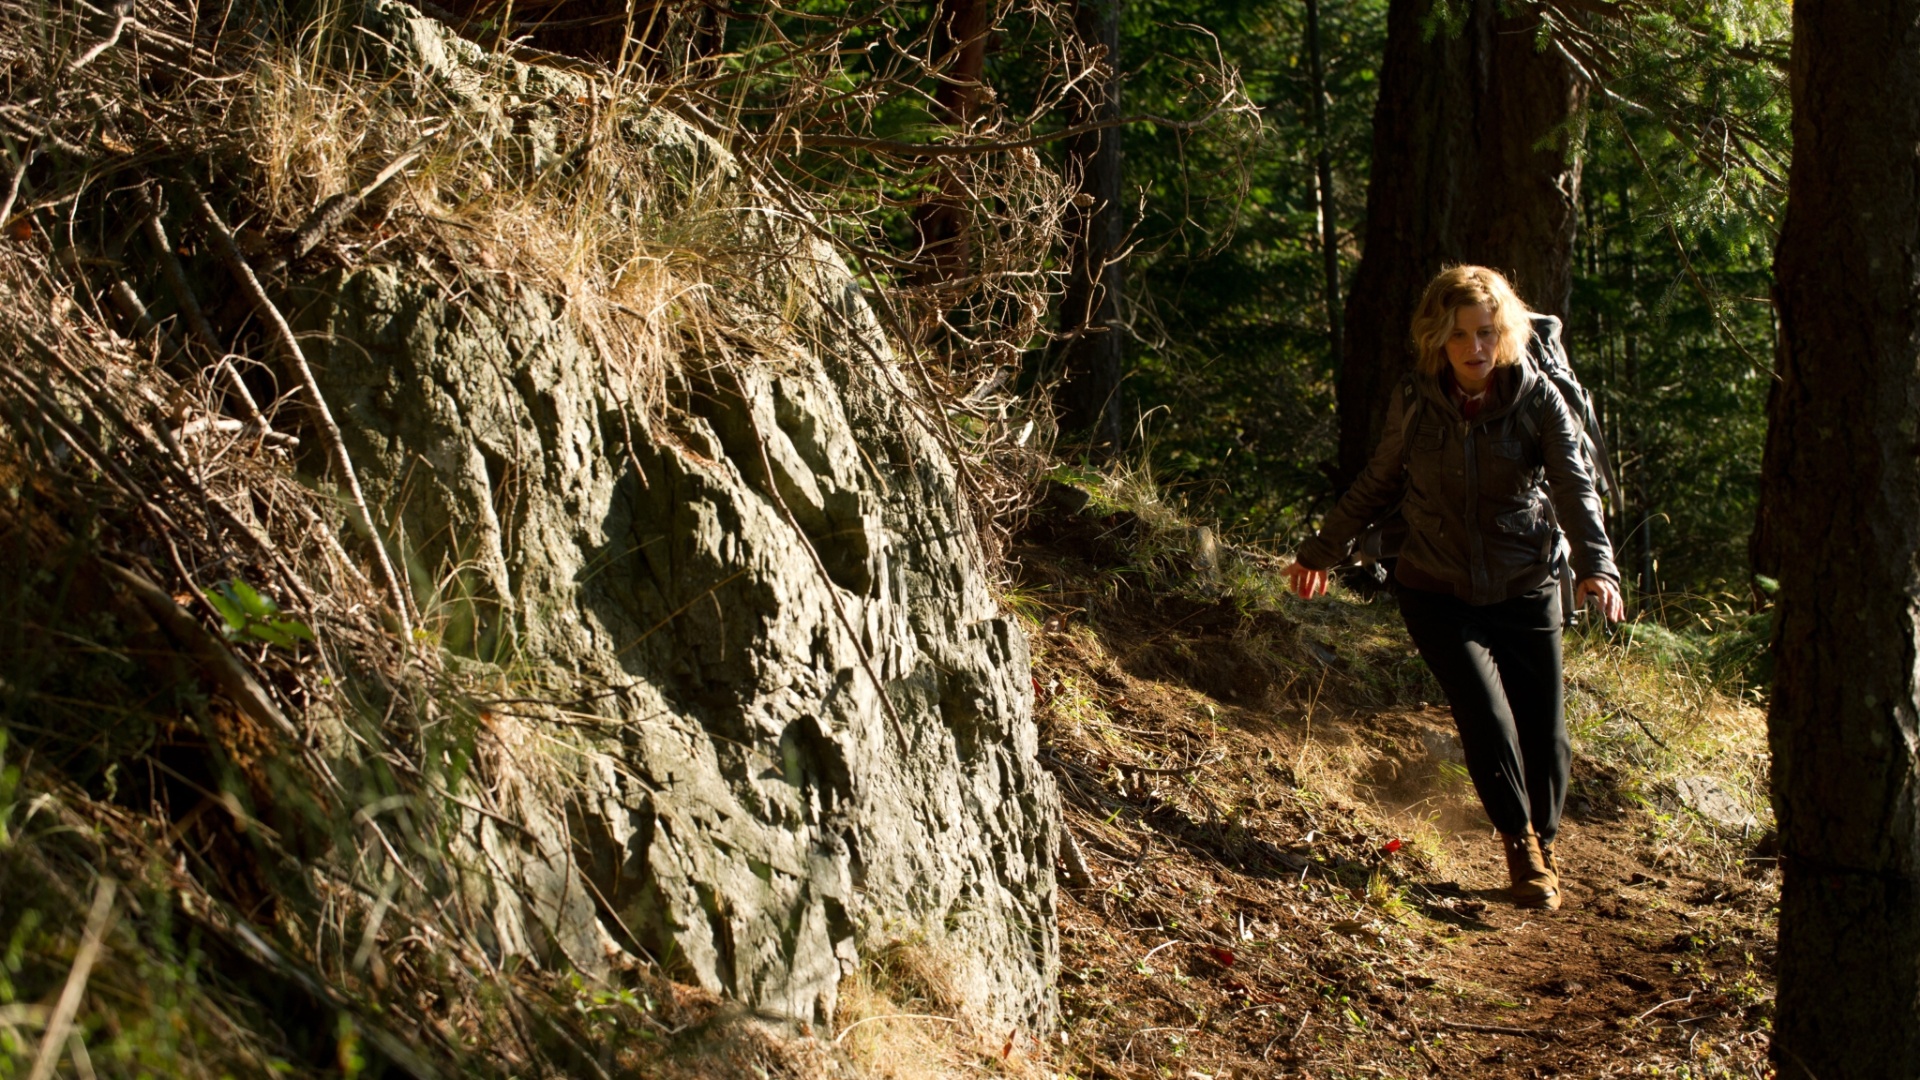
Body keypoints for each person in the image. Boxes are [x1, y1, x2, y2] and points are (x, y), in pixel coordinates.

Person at [1287, 265, 1623, 910]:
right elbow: (1379, 480)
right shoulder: (1416, 399)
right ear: (1437, 339)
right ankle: (1522, 848)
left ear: (1508, 334)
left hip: (1524, 583)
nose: (1475, 348)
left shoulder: (1536, 398)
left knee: (1545, 733)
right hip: (1435, 586)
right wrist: (1320, 552)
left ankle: (1540, 839)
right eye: (1461, 335)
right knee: (1485, 716)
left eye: (1488, 333)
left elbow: (1575, 489)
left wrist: (1596, 568)